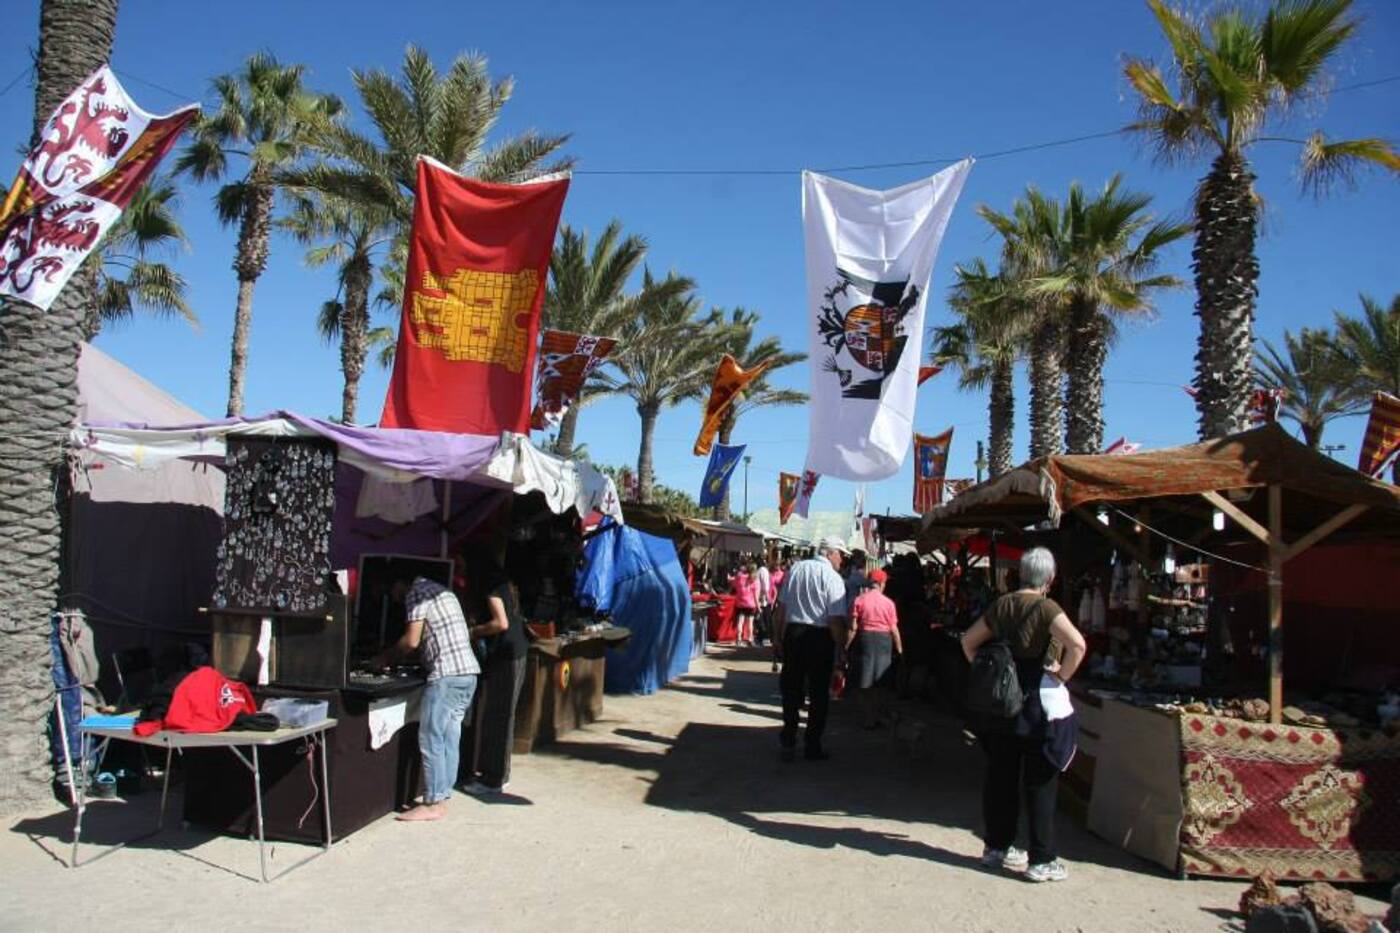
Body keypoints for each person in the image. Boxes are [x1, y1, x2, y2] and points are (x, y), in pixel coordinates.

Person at [960, 547, 1086, 882]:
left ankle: (996, 848)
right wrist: (1061, 676)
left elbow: (968, 642)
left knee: (1000, 777)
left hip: (1002, 704)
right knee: (1039, 782)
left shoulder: (1003, 604)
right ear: (1050, 578)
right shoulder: (1046, 608)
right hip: (1036, 703)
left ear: (1021, 572)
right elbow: (1078, 645)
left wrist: (991, 675)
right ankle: (1041, 859)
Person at [377, 573, 480, 822]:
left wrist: (384, 658)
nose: (395, 600)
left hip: (446, 675)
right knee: (450, 737)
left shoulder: (417, 592)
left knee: (431, 737)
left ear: (398, 584)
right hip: (468, 673)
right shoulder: (443, 592)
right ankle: (443, 796)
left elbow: (411, 640)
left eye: (392, 593)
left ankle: (432, 802)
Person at [773, 536, 850, 761]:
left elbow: (781, 608)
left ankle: (788, 739)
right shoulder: (833, 578)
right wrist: (841, 648)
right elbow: (835, 620)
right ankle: (812, 744)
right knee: (818, 693)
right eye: (840, 554)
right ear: (830, 553)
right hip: (819, 636)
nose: (842, 559)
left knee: (791, 689)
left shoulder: (796, 569)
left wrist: (778, 638)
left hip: (794, 634)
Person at [460, 558, 529, 796]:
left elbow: (500, 623)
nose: (460, 565)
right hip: (516, 651)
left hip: (506, 654)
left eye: (462, 560)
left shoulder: (490, 585)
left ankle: (493, 778)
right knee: (503, 715)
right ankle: (499, 774)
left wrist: (472, 632)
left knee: (498, 716)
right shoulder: (504, 582)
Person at [849, 567, 902, 729]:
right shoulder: (889, 603)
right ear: (881, 583)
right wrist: (900, 650)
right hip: (884, 642)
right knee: (881, 681)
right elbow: (894, 630)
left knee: (864, 681)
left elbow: (853, 627)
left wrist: (846, 646)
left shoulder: (859, 600)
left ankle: (868, 718)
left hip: (864, 640)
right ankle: (878, 714)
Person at [732, 561, 758, 646]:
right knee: (750, 622)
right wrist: (758, 606)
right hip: (751, 604)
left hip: (740, 603)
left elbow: (734, 586)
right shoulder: (754, 579)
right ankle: (750, 639)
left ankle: (738, 639)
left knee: (740, 622)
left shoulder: (739, 577)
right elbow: (755, 595)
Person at [754, 558, 773, 646]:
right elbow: (765, 585)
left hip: (761, 597)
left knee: (762, 619)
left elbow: (763, 584)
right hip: (763, 598)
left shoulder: (759, 571)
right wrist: (768, 597)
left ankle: (762, 637)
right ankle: (764, 637)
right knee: (764, 619)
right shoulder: (763, 570)